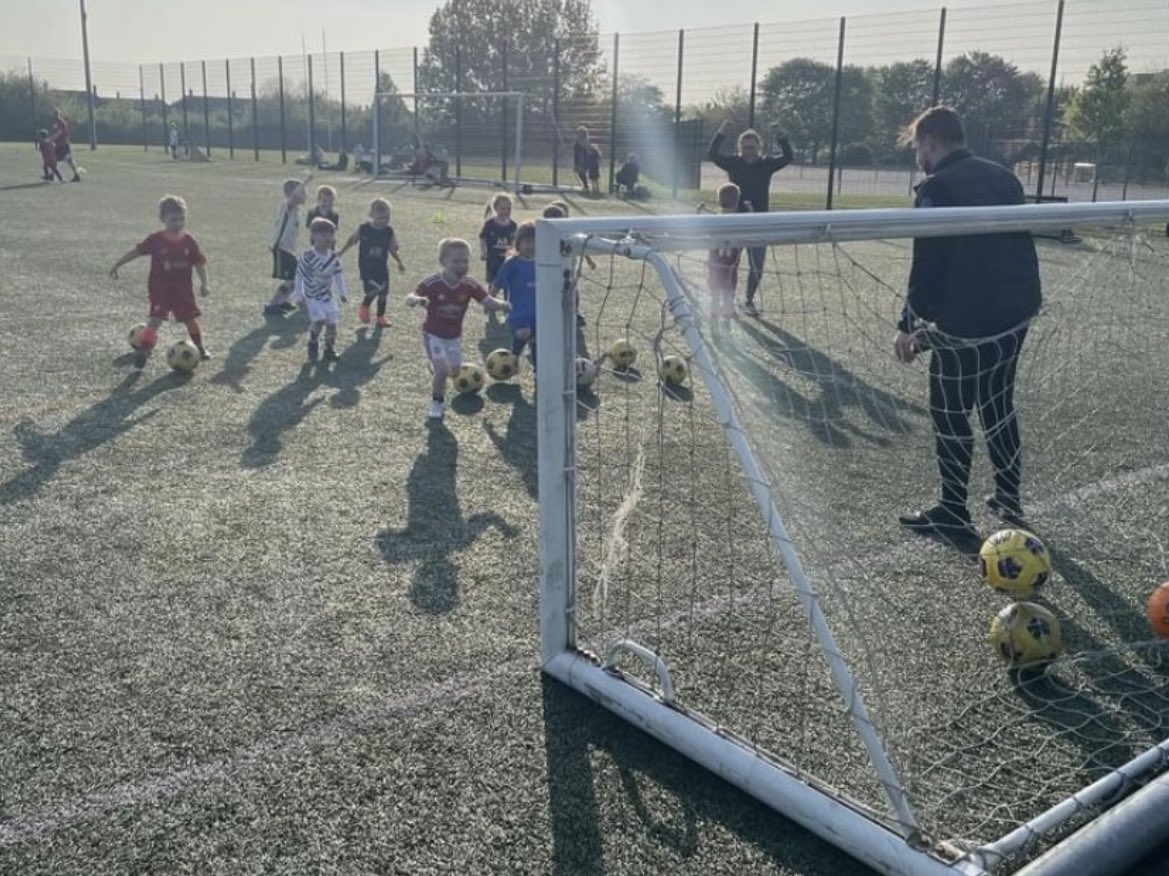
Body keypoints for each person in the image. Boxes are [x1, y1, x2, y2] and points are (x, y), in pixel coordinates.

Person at [894, 106, 1042, 535]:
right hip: (1015, 312)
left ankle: (954, 508)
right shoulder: (1005, 176)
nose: (918, 154)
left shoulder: (937, 187)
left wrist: (908, 323)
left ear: (931, 142)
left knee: (950, 408)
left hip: (967, 318)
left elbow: (928, 261)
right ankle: (1008, 497)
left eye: (918, 146)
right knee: (997, 403)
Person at [406, 238, 509, 420]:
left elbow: (488, 302)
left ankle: (438, 368)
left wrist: (502, 305)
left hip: (454, 337)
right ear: (443, 261)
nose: (461, 265)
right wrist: (415, 300)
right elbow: (412, 296)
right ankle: (437, 402)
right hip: (433, 334)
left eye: (465, 261)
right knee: (442, 371)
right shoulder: (432, 283)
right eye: (455, 261)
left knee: (454, 371)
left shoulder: (470, 285)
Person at [109, 194, 211, 369]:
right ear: (163, 219)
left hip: (183, 290)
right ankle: (143, 350)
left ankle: (200, 348)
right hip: (160, 289)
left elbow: (199, 263)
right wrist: (118, 263)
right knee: (155, 319)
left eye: (182, 219)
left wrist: (205, 283)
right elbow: (137, 251)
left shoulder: (189, 241)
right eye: (173, 220)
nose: (178, 223)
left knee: (190, 319)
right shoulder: (155, 240)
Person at [707, 120, 793, 316]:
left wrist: (780, 134)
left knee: (757, 265)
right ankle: (727, 301)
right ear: (740, 147)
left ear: (759, 147)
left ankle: (749, 300)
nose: (749, 151)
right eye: (745, 147)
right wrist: (721, 133)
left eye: (752, 147)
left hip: (759, 222)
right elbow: (712, 154)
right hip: (734, 222)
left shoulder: (766, 165)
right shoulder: (734, 163)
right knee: (729, 264)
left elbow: (788, 156)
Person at [337, 197, 406, 328]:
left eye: (386, 218)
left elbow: (392, 248)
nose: (383, 221)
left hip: (381, 268)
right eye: (380, 218)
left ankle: (381, 317)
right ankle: (365, 306)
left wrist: (399, 262)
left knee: (383, 293)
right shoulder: (364, 229)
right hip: (367, 268)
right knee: (373, 290)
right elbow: (352, 241)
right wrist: (340, 253)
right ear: (371, 215)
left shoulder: (388, 231)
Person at [294, 217, 349, 364]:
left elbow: (339, 275)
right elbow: (299, 276)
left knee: (332, 324)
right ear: (313, 236)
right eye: (323, 234)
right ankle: (313, 342)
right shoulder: (308, 257)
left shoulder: (333, 258)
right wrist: (299, 296)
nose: (328, 238)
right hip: (312, 296)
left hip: (327, 297)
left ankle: (329, 349)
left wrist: (343, 293)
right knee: (319, 320)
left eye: (330, 234)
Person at [491, 221, 538, 373]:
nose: (531, 245)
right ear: (518, 243)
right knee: (523, 333)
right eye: (527, 241)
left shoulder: (544, 263)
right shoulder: (512, 263)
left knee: (538, 342)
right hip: (517, 310)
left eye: (535, 242)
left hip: (540, 312)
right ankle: (514, 355)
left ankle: (538, 370)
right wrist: (489, 300)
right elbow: (498, 283)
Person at [263, 177, 310, 316]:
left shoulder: (295, 209)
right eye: (303, 192)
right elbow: (293, 197)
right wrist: (306, 181)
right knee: (292, 279)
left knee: (294, 278)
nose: (305, 195)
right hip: (282, 248)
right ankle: (272, 304)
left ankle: (281, 302)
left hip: (288, 249)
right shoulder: (288, 206)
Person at [706, 183, 744, 330]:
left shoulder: (715, 218)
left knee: (715, 285)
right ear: (737, 201)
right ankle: (728, 310)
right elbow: (741, 239)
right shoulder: (738, 220)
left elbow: (710, 239)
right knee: (729, 285)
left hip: (714, 259)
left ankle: (714, 310)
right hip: (730, 260)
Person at [479, 193, 517, 324]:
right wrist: (484, 251)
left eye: (508, 208)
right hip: (493, 260)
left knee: (508, 285)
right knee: (493, 284)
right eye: (502, 208)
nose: (505, 211)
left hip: (507, 261)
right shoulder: (489, 224)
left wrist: (515, 253)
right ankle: (490, 306)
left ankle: (508, 309)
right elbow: (482, 238)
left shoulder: (513, 225)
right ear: (495, 208)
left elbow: (515, 242)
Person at [48, 108, 81, 182]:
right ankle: (52, 175)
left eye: (56, 114)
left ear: (58, 114)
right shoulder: (55, 122)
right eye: (54, 114)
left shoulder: (61, 123)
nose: (54, 115)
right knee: (55, 160)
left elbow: (59, 133)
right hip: (59, 145)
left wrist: (50, 140)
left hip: (64, 145)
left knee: (68, 160)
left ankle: (77, 175)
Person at [573, 127, 602, 195]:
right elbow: (576, 153)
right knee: (581, 172)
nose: (578, 135)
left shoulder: (586, 141)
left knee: (593, 175)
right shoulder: (577, 143)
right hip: (582, 160)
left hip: (588, 160)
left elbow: (592, 151)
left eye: (580, 133)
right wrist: (576, 164)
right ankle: (586, 186)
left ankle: (595, 188)